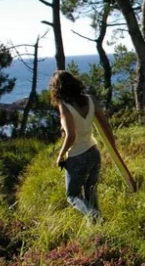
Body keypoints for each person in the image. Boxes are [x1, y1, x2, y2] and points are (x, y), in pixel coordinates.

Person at [49, 70, 115, 224]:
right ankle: (98, 230)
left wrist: (61, 155)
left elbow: (71, 135)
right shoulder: (90, 99)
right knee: (91, 192)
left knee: (72, 196)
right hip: (94, 152)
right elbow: (105, 125)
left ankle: (94, 216)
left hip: (78, 156)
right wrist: (113, 146)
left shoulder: (64, 106)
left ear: (57, 88)